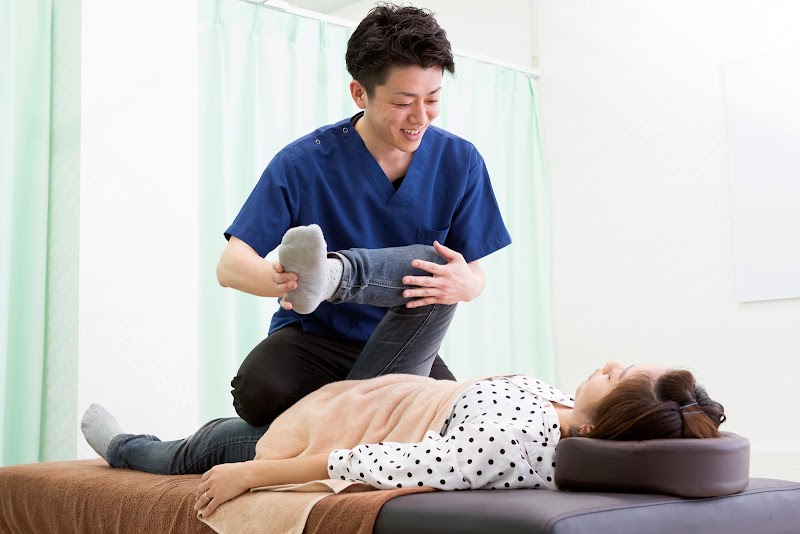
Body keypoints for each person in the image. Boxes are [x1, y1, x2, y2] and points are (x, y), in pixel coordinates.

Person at [80, 228, 726, 518]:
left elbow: (370, 463)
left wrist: (254, 472)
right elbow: (680, 426)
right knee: (438, 276)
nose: (608, 363)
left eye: (617, 375)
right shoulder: (565, 416)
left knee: (208, 445)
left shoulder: (511, 445)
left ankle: (123, 447)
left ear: (595, 420)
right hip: (394, 390)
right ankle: (333, 277)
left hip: (338, 424)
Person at [215, 3, 512, 428]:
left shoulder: (459, 161)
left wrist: (468, 285)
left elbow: (471, 271)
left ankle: (336, 282)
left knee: (457, 426)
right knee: (259, 393)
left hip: (403, 342)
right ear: (360, 93)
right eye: (404, 102)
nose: (420, 117)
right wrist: (287, 282)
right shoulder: (304, 163)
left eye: (432, 100)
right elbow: (231, 266)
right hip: (316, 341)